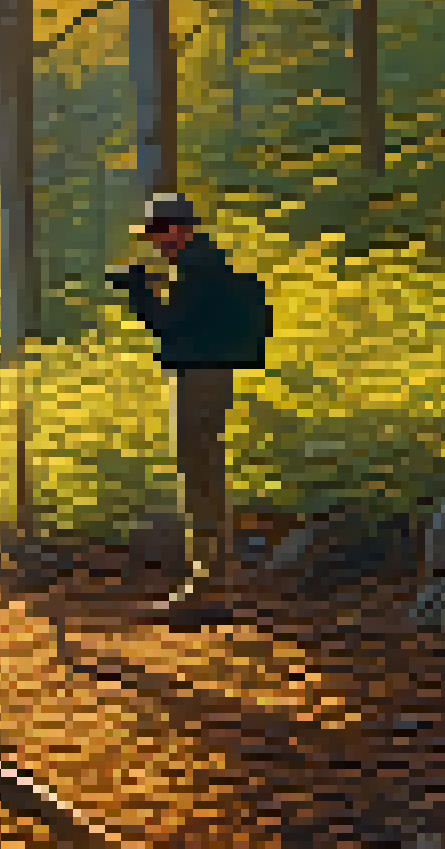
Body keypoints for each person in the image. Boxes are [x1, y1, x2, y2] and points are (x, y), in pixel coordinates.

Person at [106, 193, 273, 619]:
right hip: (211, 374)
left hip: (200, 376)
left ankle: (209, 585)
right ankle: (215, 581)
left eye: (161, 231)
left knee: (199, 474)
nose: (157, 241)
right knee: (205, 472)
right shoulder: (207, 264)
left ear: (180, 228)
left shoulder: (197, 269)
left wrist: (139, 292)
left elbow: (169, 325)